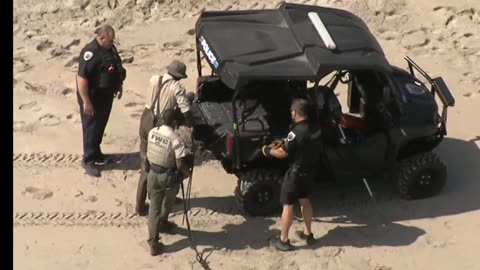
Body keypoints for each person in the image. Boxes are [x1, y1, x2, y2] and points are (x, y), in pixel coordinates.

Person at [136, 60, 194, 215]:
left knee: (145, 162)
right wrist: (189, 125)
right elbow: (186, 111)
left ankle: (140, 205)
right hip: (159, 124)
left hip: (146, 118)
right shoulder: (177, 87)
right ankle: (165, 195)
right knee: (165, 162)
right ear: (179, 77)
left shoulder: (154, 79)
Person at [261, 98, 319, 251]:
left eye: (292, 111)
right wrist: (285, 141)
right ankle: (308, 234)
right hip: (310, 171)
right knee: (305, 201)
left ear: (296, 112)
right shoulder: (315, 127)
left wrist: (268, 151)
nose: (291, 113)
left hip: (296, 173)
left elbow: (282, 153)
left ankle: (284, 241)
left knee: (288, 206)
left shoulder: (296, 132)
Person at [76, 24, 126, 177]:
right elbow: (81, 79)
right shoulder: (90, 53)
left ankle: (97, 153)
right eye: (110, 40)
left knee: (100, 126)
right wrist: (87, 102)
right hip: (92, 98)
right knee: (91, 128)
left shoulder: (108, 49)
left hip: (105, 96)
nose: (112, 43)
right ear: (101, 38)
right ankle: (88, 159)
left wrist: (118, 86)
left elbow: (114, 69)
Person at [145, 109, 192, 256]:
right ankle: (163, 222)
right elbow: (180, 164)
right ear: (174, 123)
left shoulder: (153, 132)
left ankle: (153, 242)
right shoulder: (175, 139)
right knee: (170, 197)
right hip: (168, 176)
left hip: (152, 173)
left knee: (154, 209)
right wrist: (187, 173)